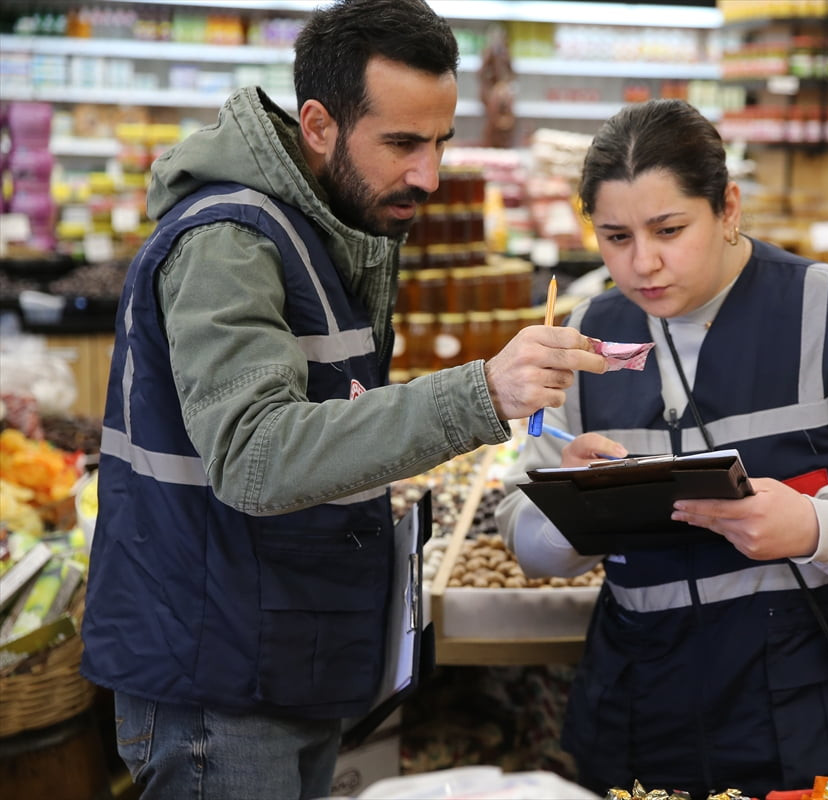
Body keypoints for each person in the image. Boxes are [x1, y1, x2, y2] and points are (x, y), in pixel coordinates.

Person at [79, 1, 606, 797]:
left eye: (440, 142)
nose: (429, 175)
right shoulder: (230, 244)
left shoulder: (322, 228)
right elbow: (255, 456)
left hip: (278, 650)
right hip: (217, 678)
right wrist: (482, 391)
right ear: (319, 126)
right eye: (402, 143)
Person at [494, 98, 828, 798]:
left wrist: (820, 526)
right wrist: (569, 508)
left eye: (669, 229)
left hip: (813, 707)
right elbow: (524, 534)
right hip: (643, 713)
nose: (643, 262)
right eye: (615, 237)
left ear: (728, 208)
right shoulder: (582, 340)